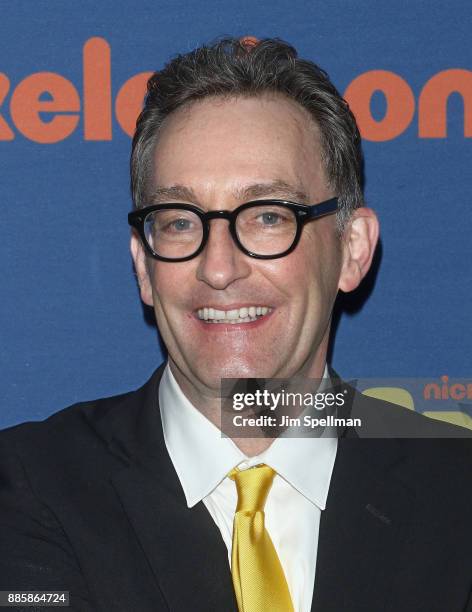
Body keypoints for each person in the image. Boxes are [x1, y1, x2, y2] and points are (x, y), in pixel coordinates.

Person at [0, 38, 471, 612]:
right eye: (179, 222)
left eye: (269, 216)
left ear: (351, 250)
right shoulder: (26, 488)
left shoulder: (458, 490)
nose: (218, 268)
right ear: (144, 266)